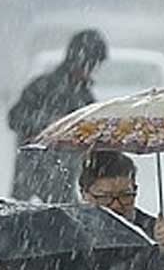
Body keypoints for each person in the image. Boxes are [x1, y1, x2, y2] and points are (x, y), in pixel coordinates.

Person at [7, 29, 107, 203]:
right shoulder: (42, 87)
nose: (91, 70)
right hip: (32, 176)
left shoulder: (85, 98)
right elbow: (15, 118)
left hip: (64, 180)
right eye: (90, 64)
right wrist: (48, 124)